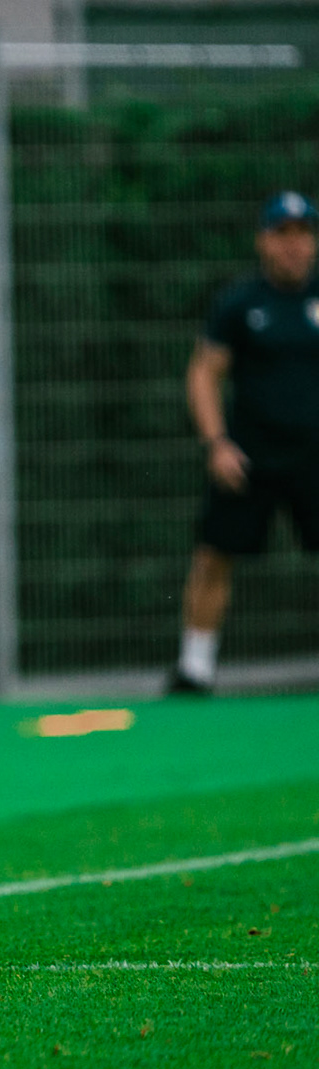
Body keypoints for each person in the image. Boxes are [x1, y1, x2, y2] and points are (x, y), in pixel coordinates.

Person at [169, 191, 319, 694]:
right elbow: (204, 374)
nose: (294, 247)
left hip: (313, 457)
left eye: (303, 236)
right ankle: (195, 668)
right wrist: (217, 443)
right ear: (264, 241)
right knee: (213, 556)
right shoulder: (240, 303)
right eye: (283, 236)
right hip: (249, 455)